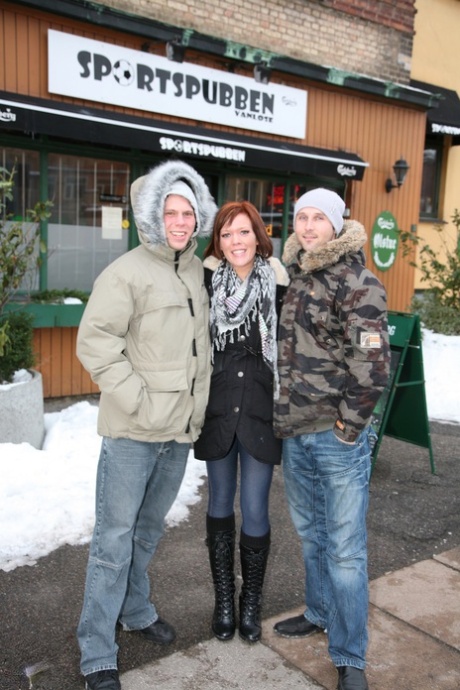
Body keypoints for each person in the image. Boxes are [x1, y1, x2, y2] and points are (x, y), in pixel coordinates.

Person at [76, 160, 217, 690]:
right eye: (170, 211)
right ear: (153, 216)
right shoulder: (127, 272)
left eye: (187, 212)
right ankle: (96, 652)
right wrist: (136, 399)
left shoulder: (198, 272)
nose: (179, 221)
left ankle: (135, 611)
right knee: (113, 540)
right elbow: (95, 343)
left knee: (148, 532)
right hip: (133, 433)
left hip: (178, 435)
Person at [273, 189, 391, 690]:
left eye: (318, 217)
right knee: (311, 535)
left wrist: (347, 430)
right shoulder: (299, 275)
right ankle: (319, 611)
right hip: (295, 433)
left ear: (338, 224)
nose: (307, 224)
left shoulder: (359, 282)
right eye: (301, 216)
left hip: (335, 437)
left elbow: (373, 368)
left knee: (345, 550)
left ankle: (349, 657)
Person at [193, 201, 289, 644]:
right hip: (218, 409)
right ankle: (224, 601)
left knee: (254, 509)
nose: (236, 241)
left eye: (244, 232)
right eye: (228, 233)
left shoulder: (279, 286)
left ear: (258, 237)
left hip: (260, 413)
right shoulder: (207, 283)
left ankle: (251, 603)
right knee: (218, 506)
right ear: (219, 241)